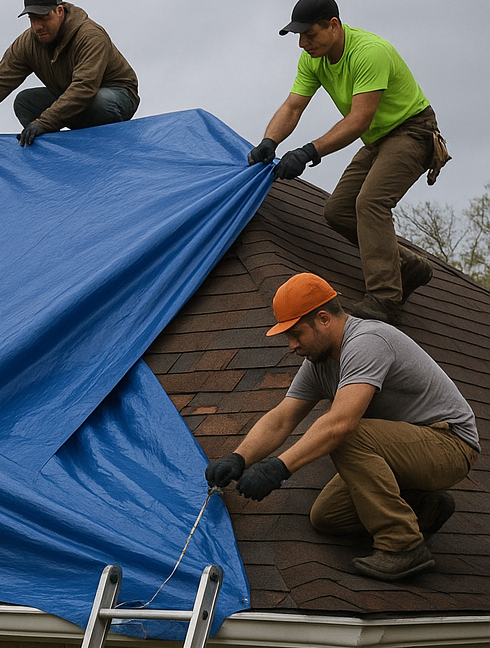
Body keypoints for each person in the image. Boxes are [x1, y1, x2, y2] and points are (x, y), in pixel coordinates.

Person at [205, 273, 479, 582]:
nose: (292, 345)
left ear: (323, 319)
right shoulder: (319, 364)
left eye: (296, 333)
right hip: (404, 452)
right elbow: (282, 418)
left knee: (345, 434)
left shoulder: (367, 341)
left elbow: (341, 424)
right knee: (327, 516)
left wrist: (279, 468)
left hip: (450, 443)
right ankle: (426, 506)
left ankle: (403, 545)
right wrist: (239, 458)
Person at [247, 0, 450, 325]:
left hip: (413, 130)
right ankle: (407, 266)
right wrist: (269, 141)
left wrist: (308, 152)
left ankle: (384, 300)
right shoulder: (313, 59)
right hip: (378, 138)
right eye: (299, 37)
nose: (303, 44)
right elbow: (293, 107)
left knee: (370, 202)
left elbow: (359, 120)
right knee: (338, 211)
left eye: (309, 35)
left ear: (333, 25)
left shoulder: (369, 52)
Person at [0, 1, 138, 146]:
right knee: (25, 102)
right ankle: (57, 152)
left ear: (59, 11)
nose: (37, 26)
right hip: (70, 95)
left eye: (43, 18)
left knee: (96, 102)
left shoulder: (89, 36)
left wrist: (44, 122)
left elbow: (84, 87)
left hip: (116, 96)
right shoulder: (29, 42)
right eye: (32, 19)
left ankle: (102, 145)